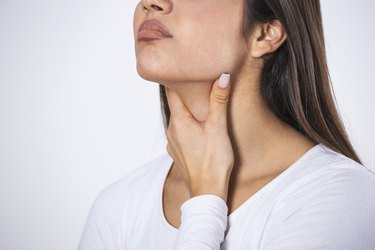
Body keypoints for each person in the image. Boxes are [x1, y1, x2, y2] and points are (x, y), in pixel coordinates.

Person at [78, 0, 375, 249]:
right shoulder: (119, 205)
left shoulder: (340, 199)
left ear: (266, 33)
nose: (151, 3)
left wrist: (205, 203)